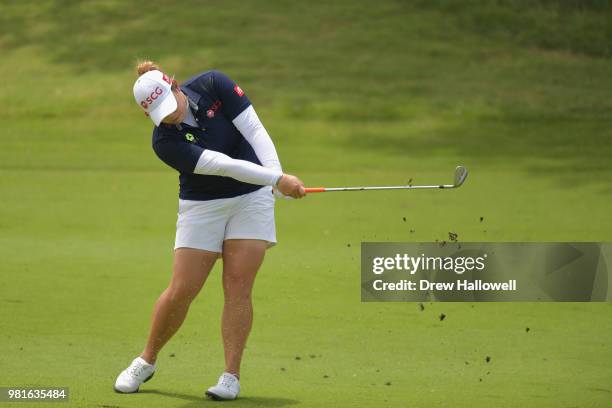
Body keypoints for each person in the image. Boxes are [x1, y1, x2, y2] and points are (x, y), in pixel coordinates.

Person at [113, 61, 306, 401]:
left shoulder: (214, 84)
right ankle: (147, 360)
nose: (170, 116)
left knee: (238, 285)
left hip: (251, 199)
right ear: (148, 116)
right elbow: (220, 165)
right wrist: (276, 180)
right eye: (160, 114)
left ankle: (230, 376)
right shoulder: (164, 142)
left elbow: (255, 131)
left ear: (175, 84)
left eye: (170, 106)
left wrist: (275, 176)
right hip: (202, 204)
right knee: (183, 288)